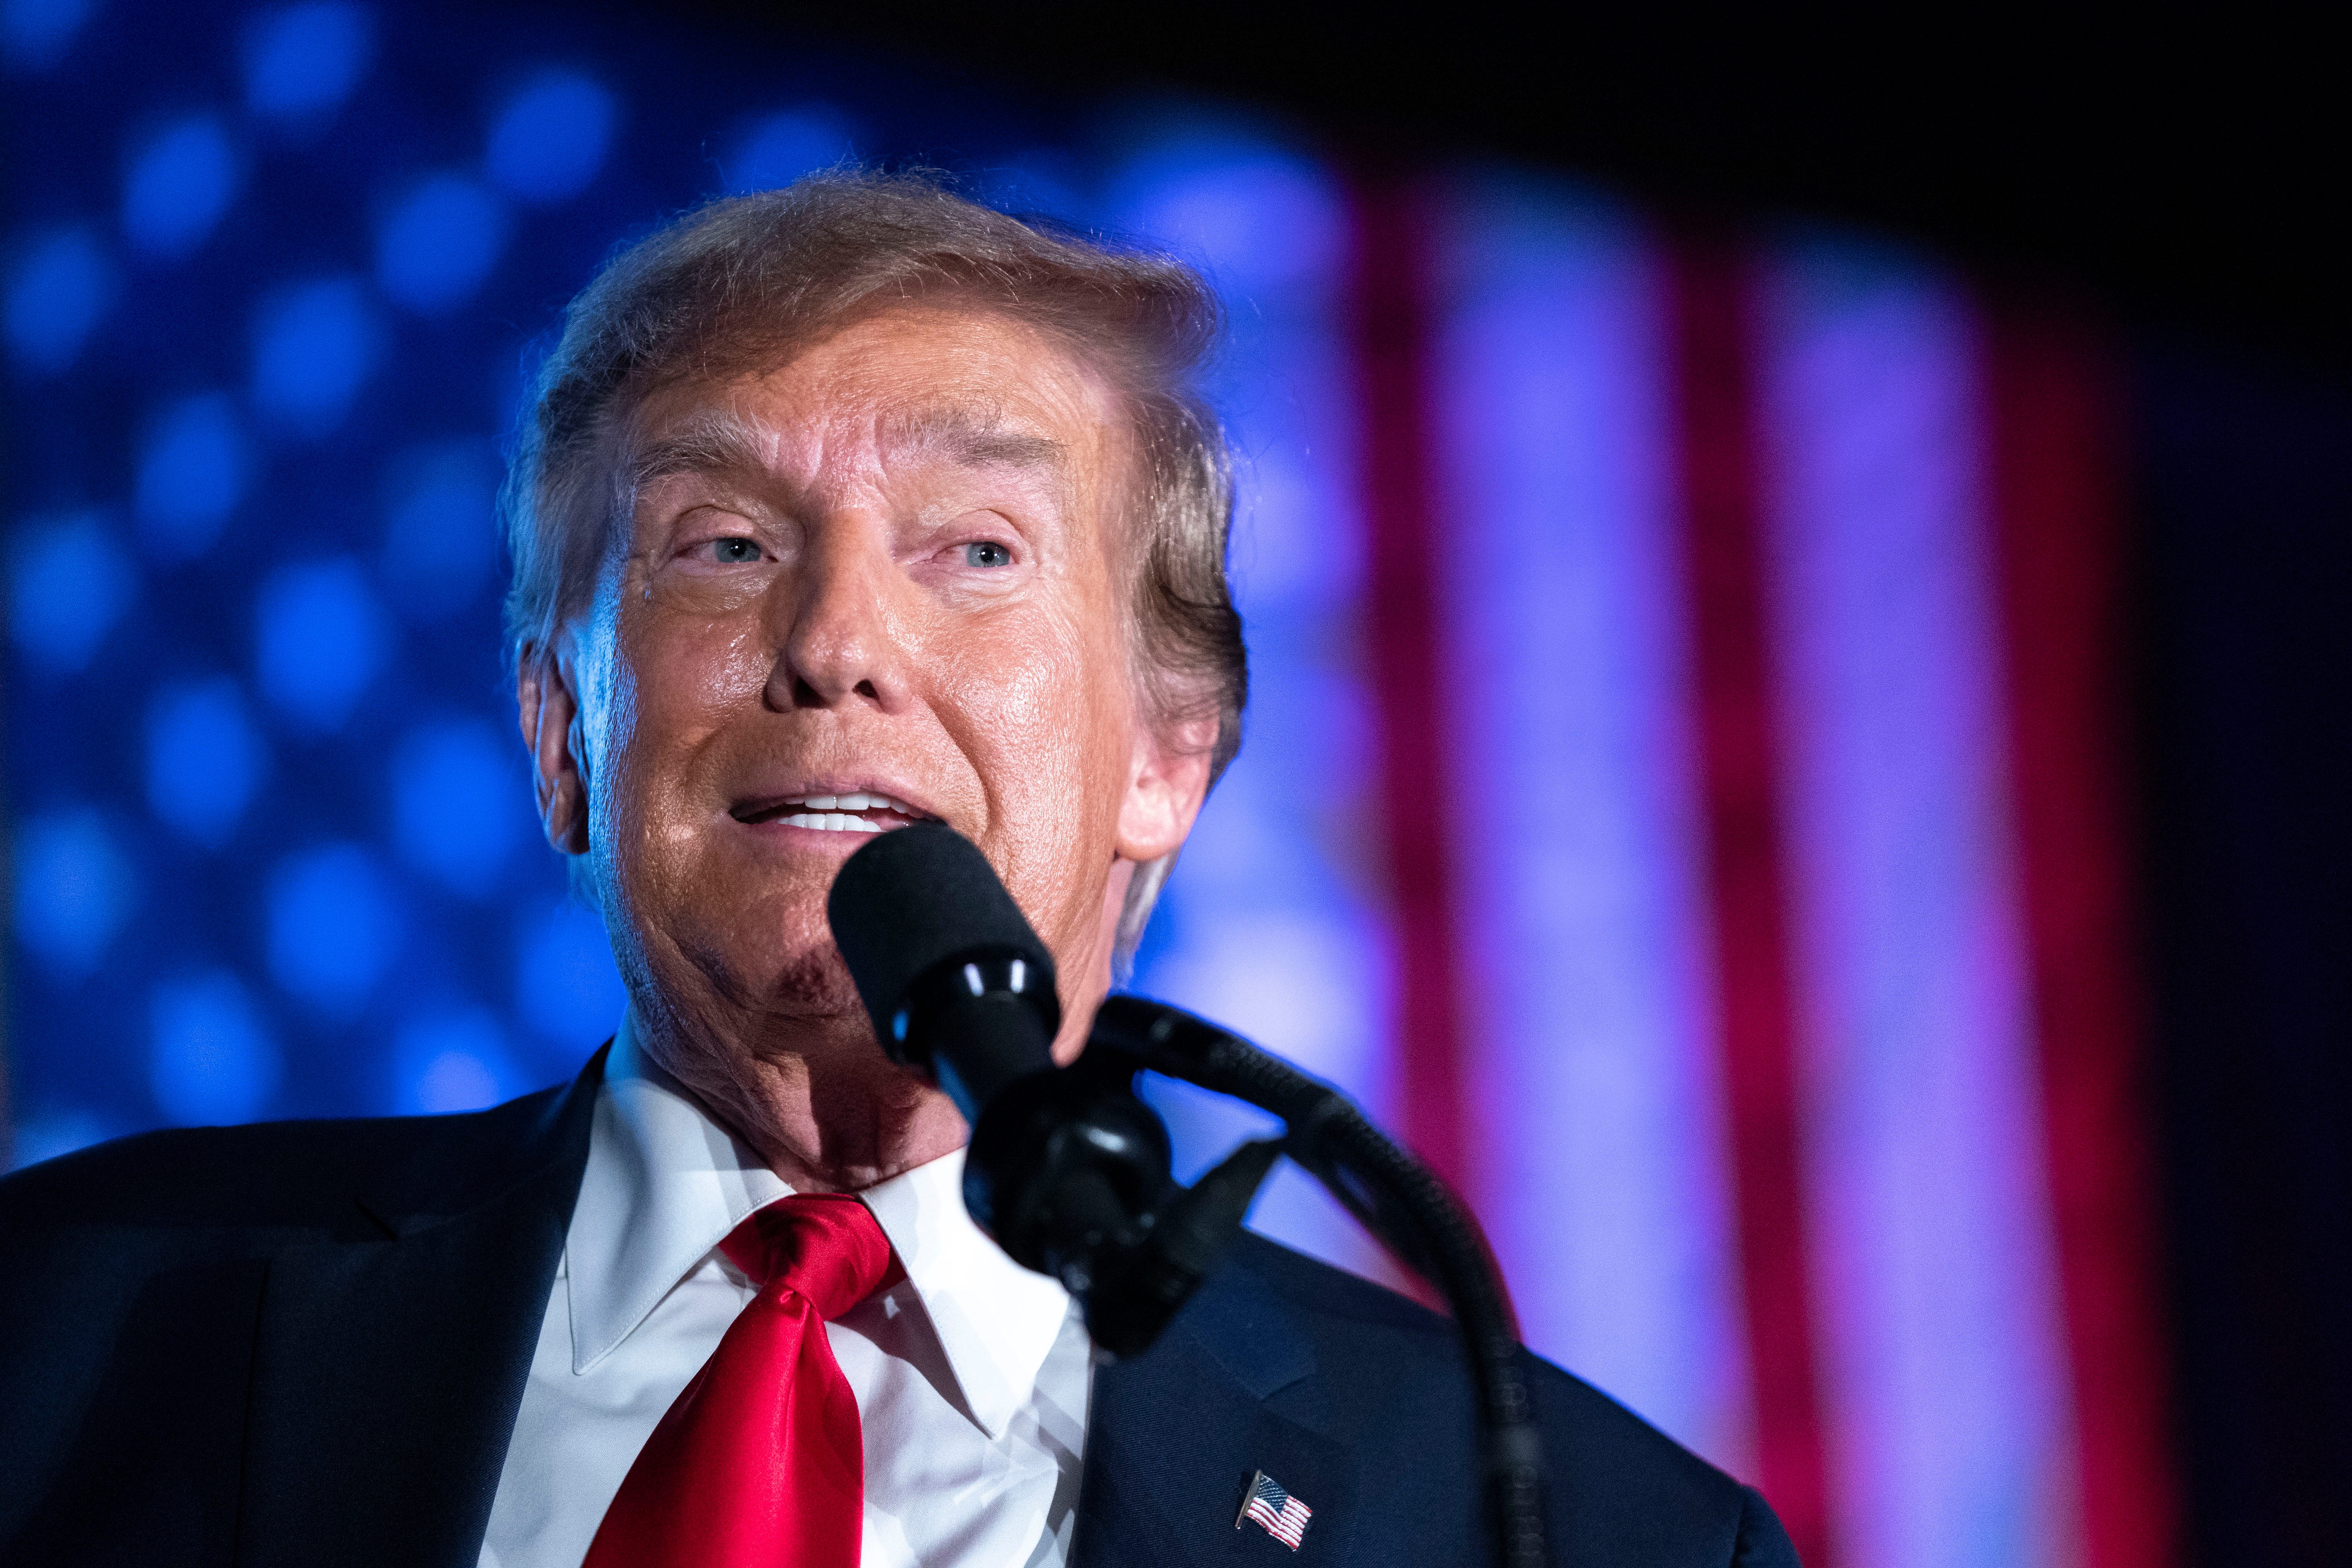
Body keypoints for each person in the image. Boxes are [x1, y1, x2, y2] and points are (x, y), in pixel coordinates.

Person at [0, 174, 1798, 1567]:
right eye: (724, 543)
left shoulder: (1576, 1533)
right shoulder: (65, 1326)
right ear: (562, 735)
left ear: (1168, 762)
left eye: (977, 548)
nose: (839, 637)